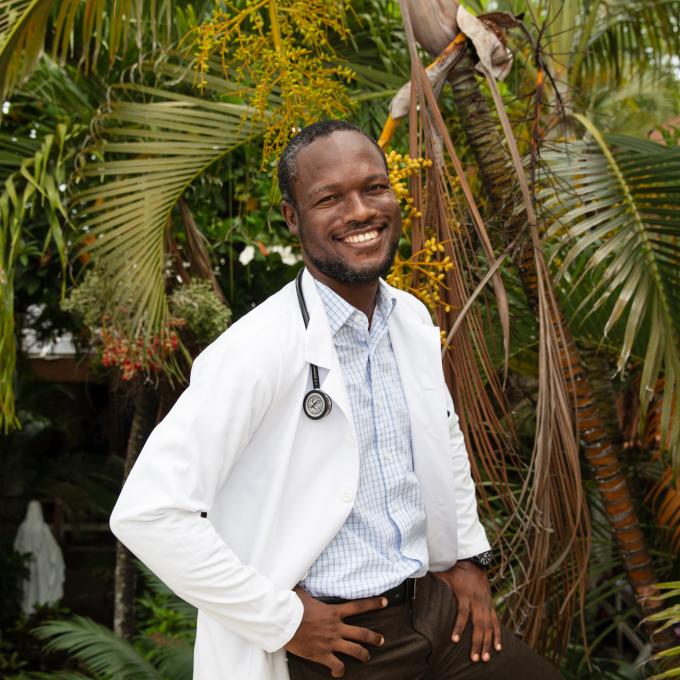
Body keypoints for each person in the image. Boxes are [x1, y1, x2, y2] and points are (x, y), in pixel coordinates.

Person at [110, 120, 563, 680]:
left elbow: (442, 438)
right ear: (292, 218)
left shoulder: (411, 320)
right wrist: (283, 621)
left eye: (374, 187)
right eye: (330, 198)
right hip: (335, 642)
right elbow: (147, 513)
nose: (360, 212)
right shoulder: (255, 350)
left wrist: (467, 556)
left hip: (433, 610)